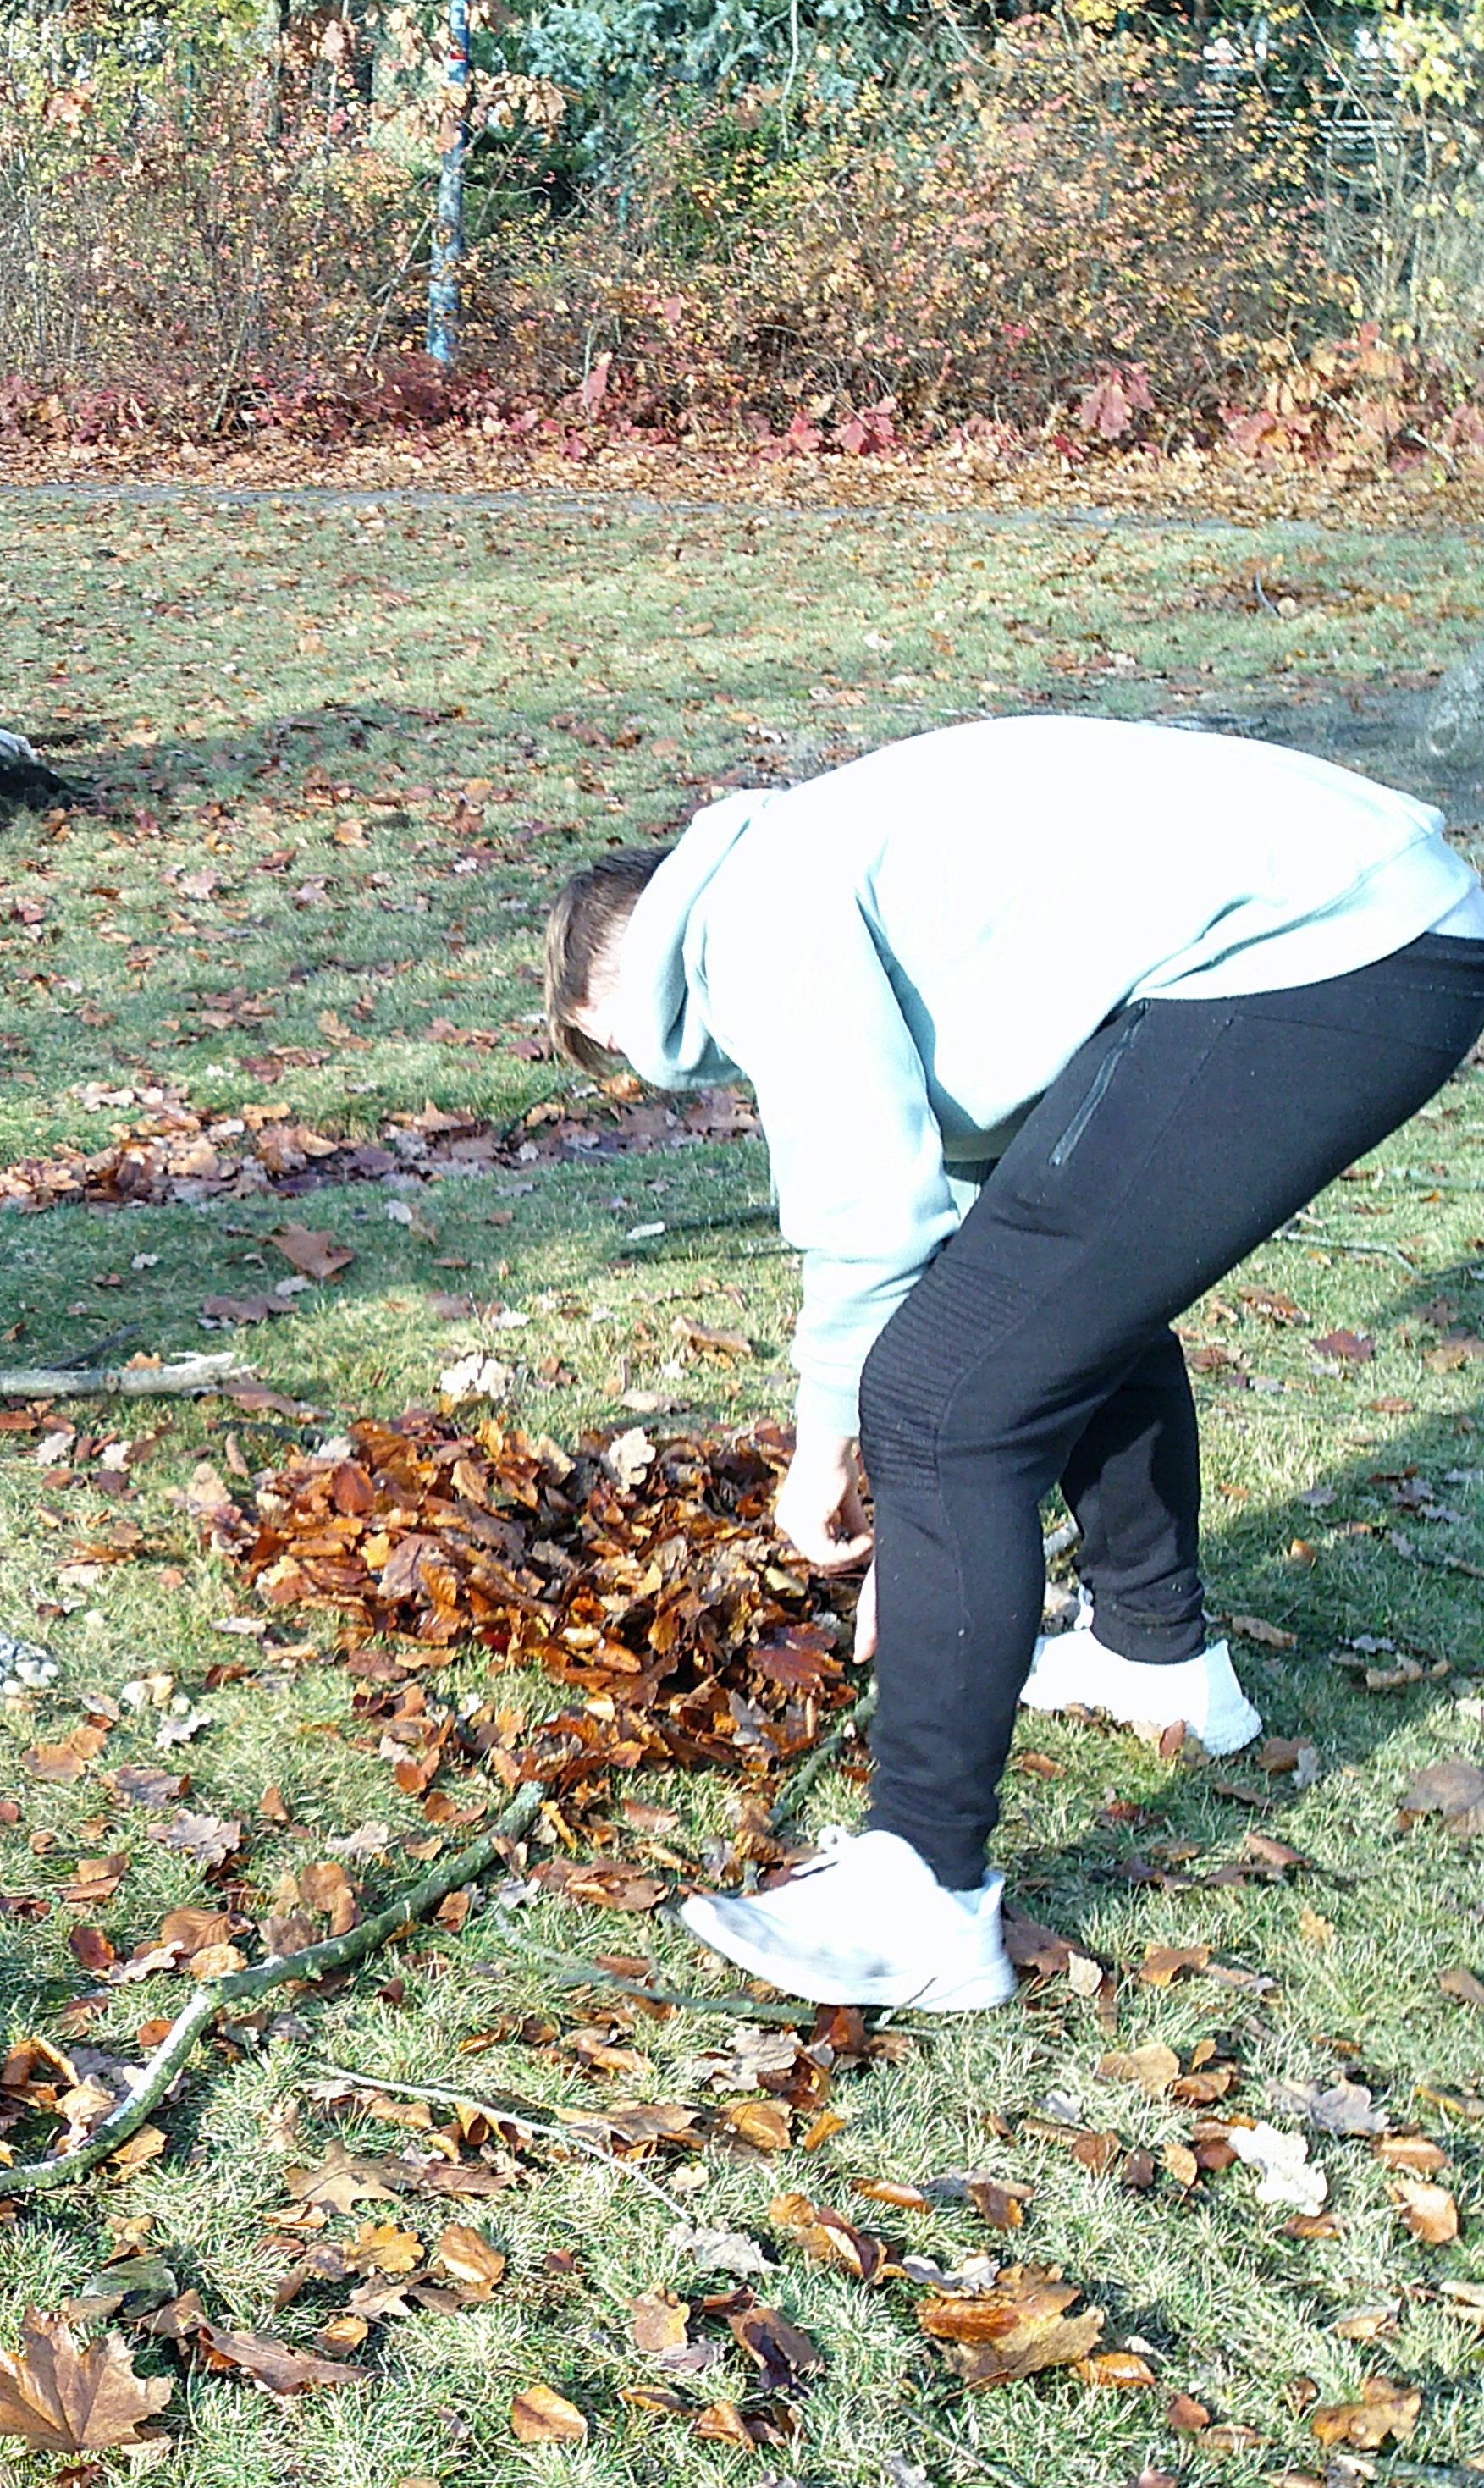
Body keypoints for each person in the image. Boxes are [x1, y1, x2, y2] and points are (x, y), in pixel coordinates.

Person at [545, 715, 1484, 2011]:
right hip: (1372, 918)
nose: (658, 1074)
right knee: (1045, 1315)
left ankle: (921, 1898)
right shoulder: (814, 859)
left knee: (936, 1405)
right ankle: (1157, 1655)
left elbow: (868, 1210)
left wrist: (835, 1449)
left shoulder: (747, 916)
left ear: (615, 986)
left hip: (1322, 946)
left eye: (623, 1054)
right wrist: (938, 1550)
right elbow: (995, 1217)